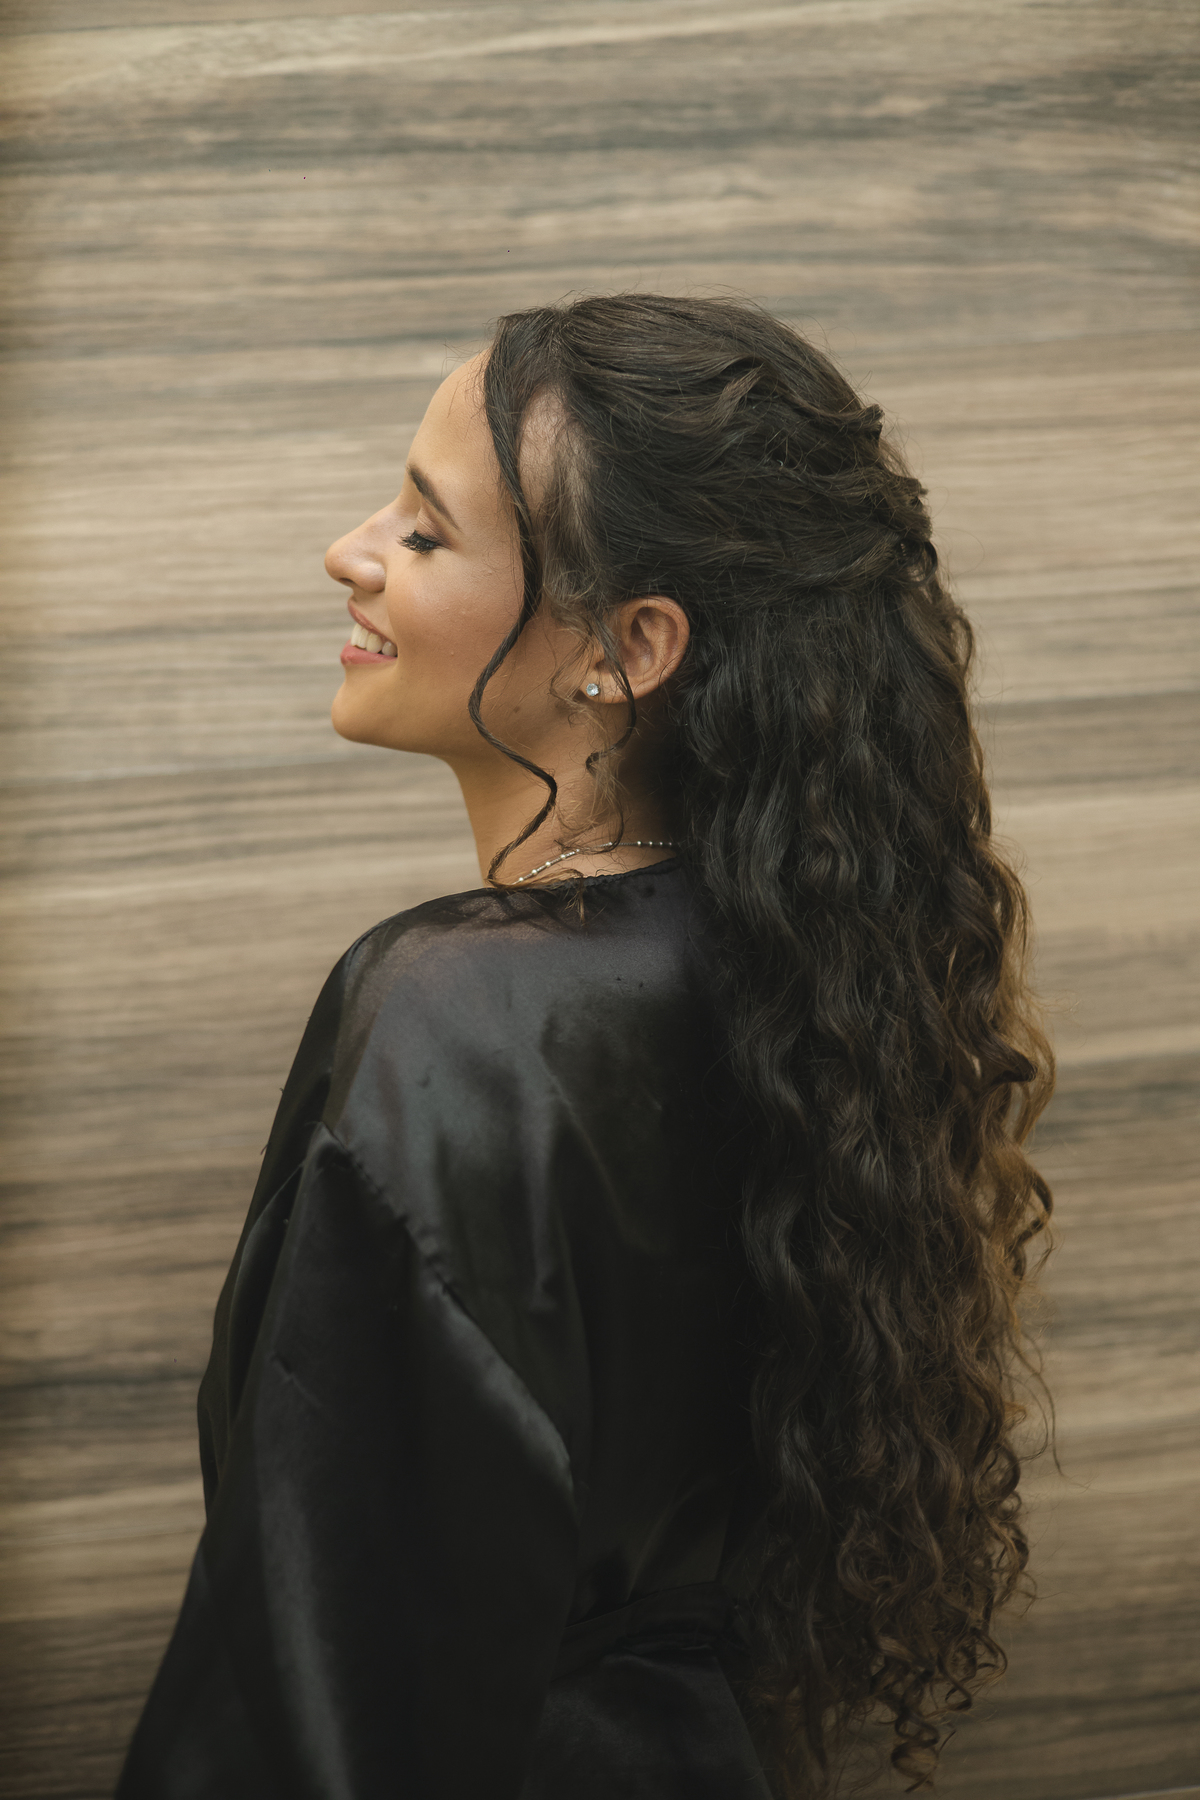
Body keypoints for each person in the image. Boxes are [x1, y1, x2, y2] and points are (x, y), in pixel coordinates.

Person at [116, 295, 1053, 1799]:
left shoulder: (457, 1019)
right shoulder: (805, 971)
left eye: (425, 534)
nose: (351, 551)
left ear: (627, 648)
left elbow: (326, 1672)